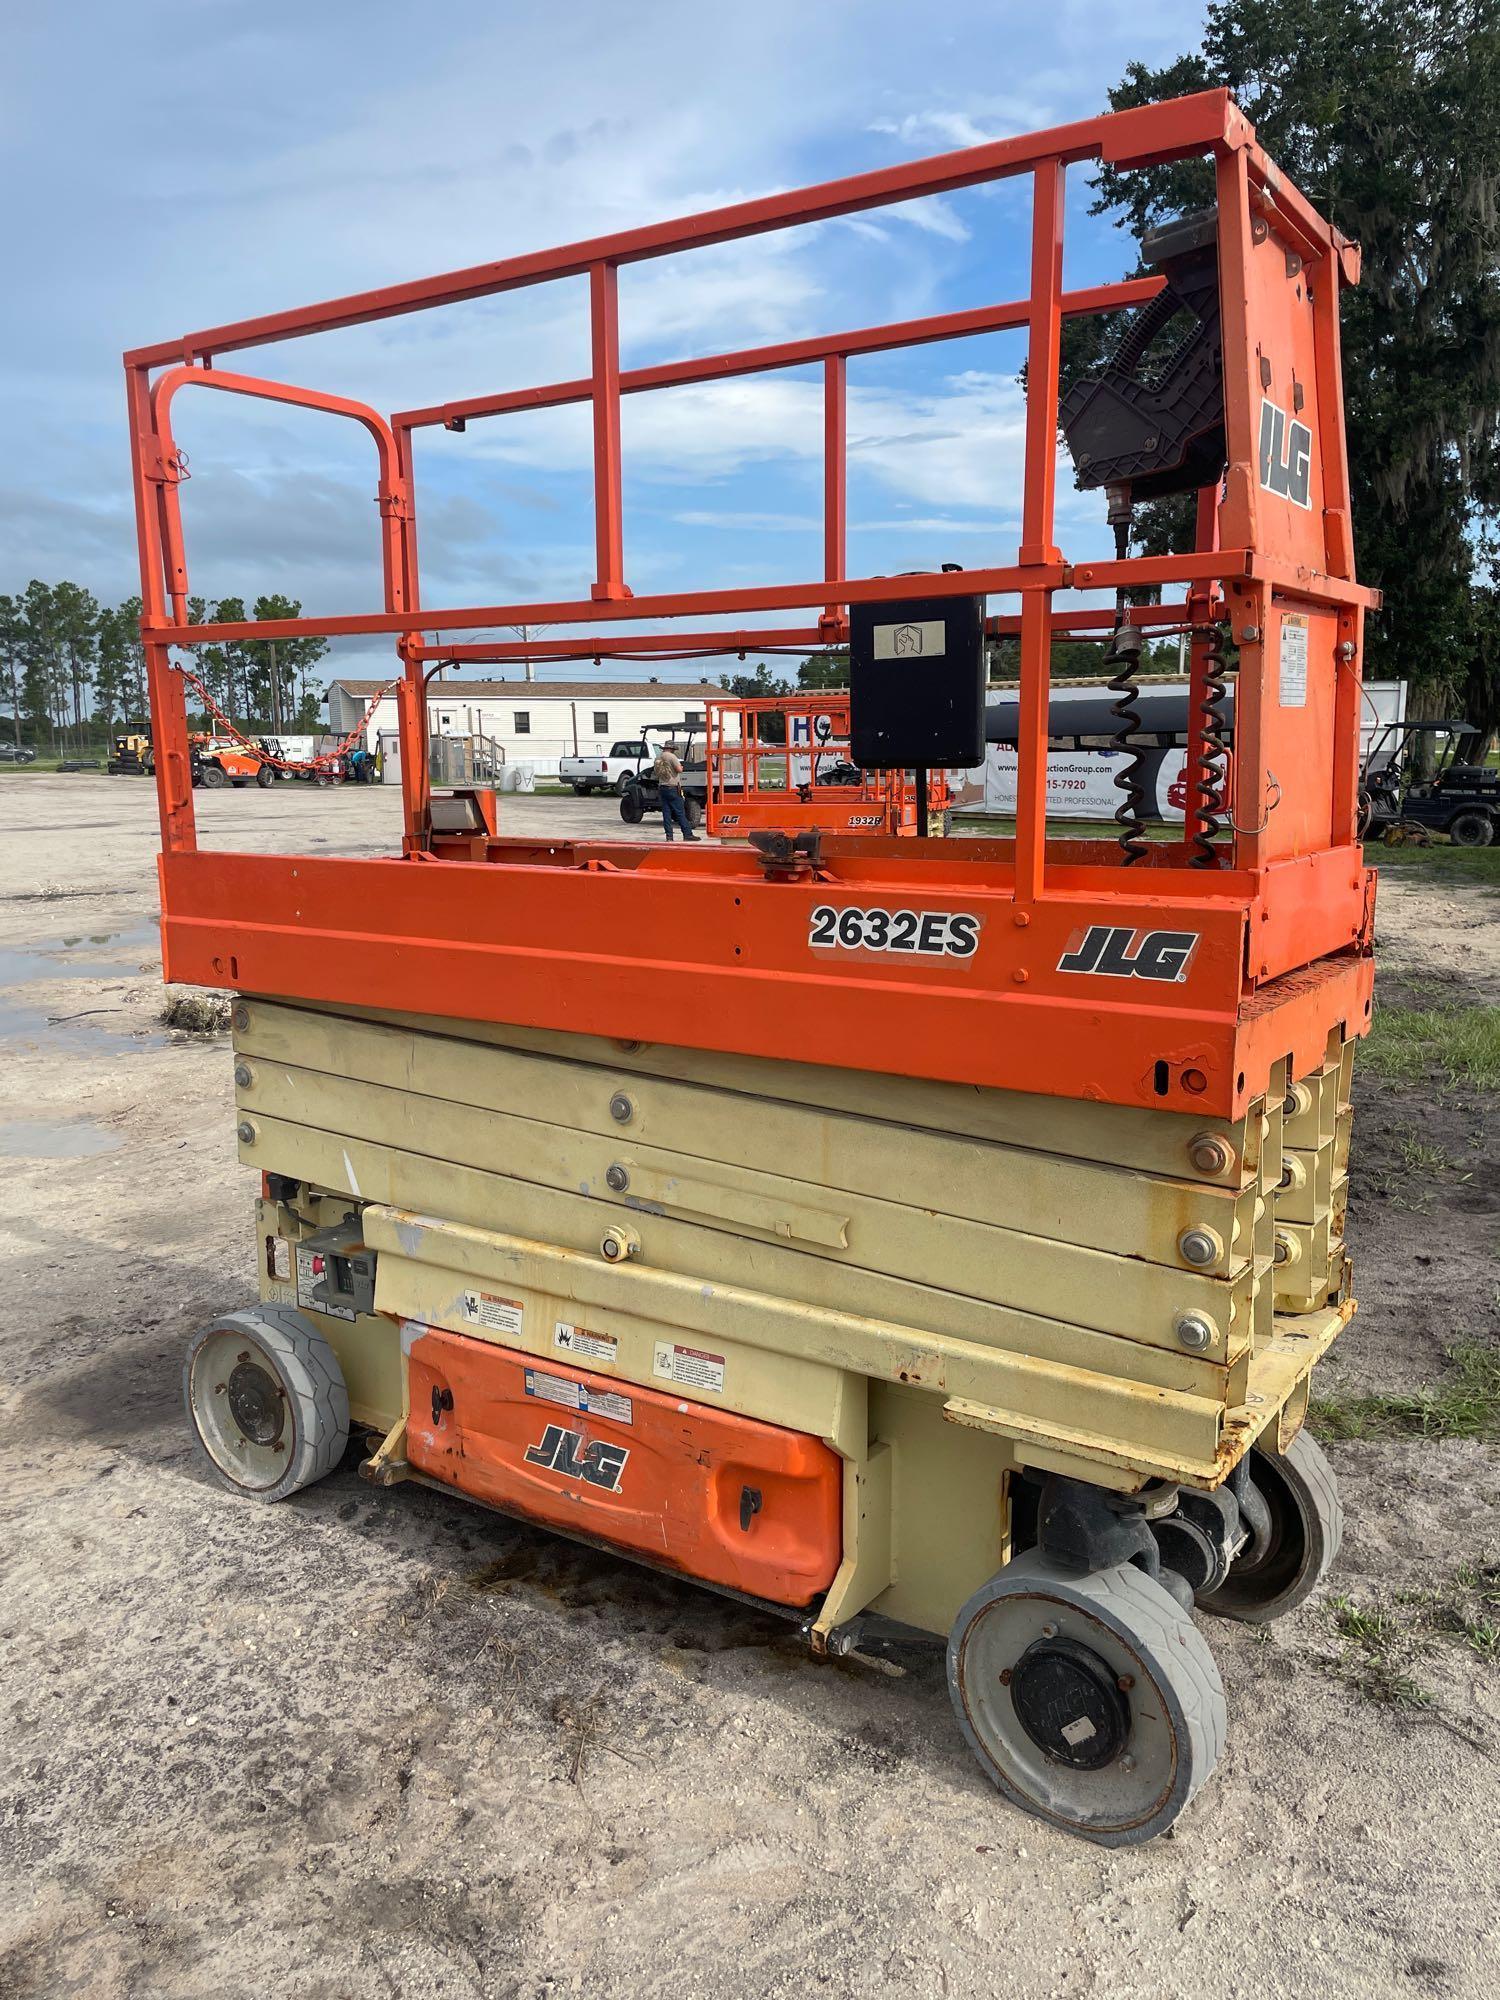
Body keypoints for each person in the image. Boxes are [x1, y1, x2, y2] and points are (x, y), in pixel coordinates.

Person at [653, 742, 698, 841]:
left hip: (662, 787)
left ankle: (669, 836)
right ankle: (687, 834)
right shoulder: (672, 757)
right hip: (673, 787)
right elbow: (679, 769)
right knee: (680, 812)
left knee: (666, 813)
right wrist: (681, 767)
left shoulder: (658, 757)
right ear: (671, 749)